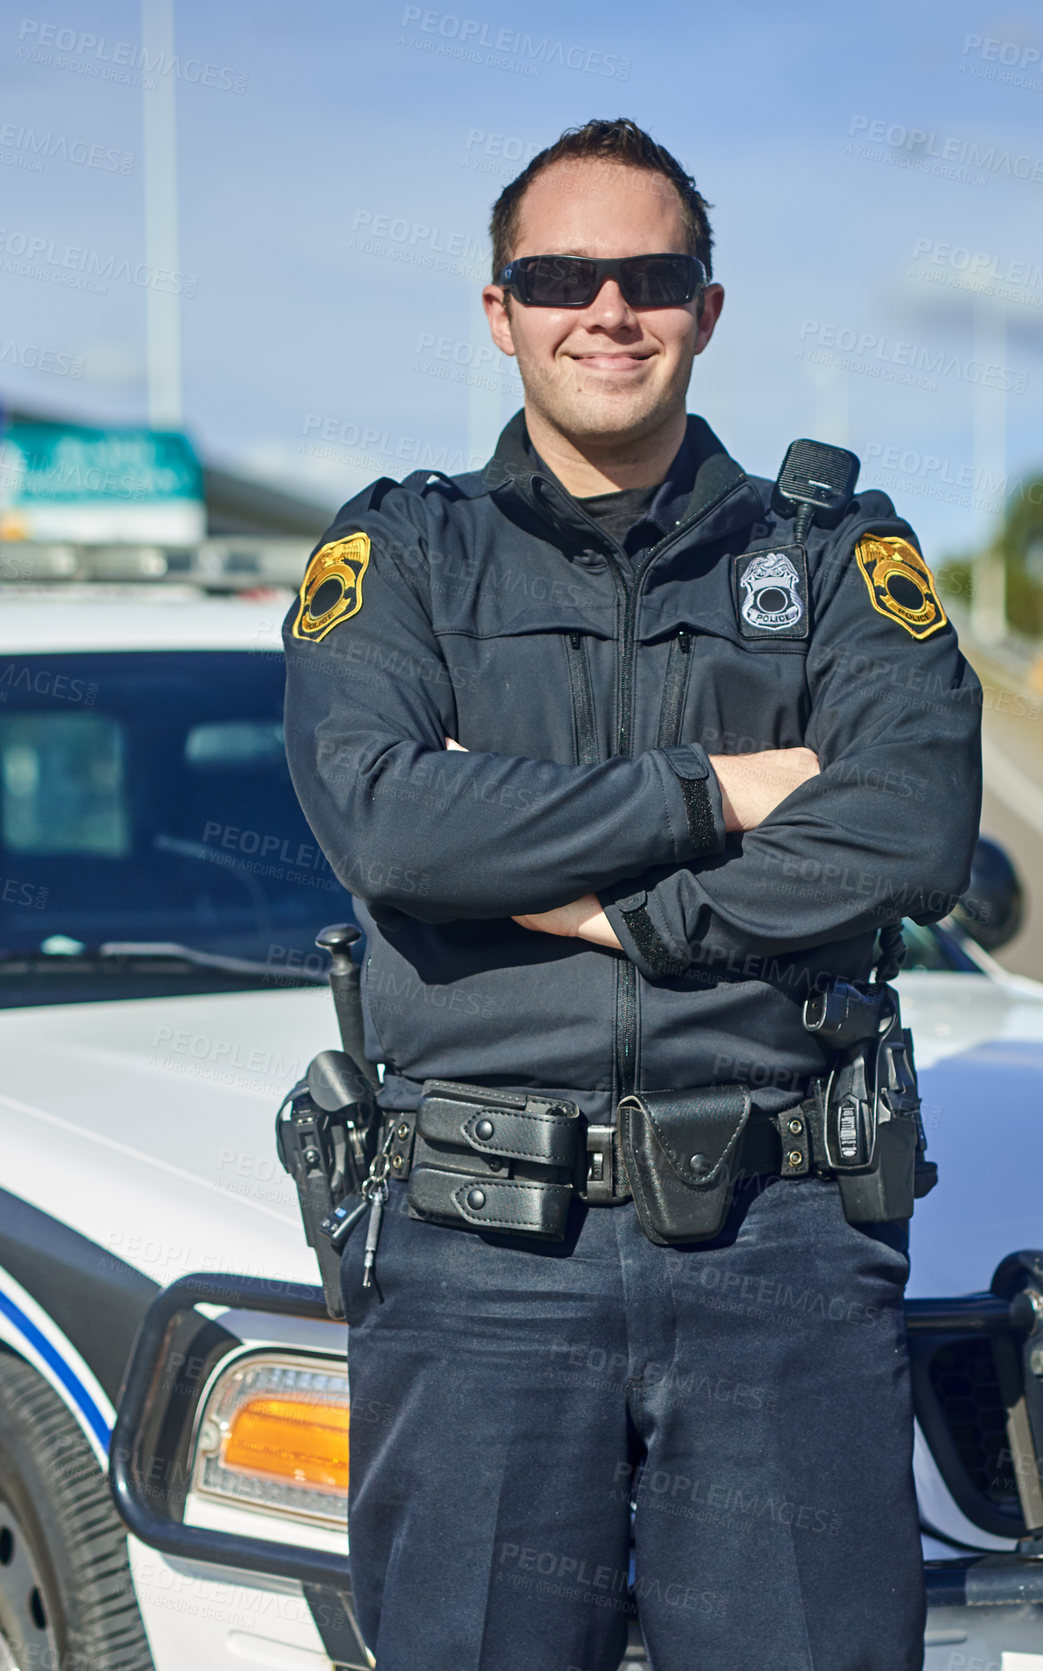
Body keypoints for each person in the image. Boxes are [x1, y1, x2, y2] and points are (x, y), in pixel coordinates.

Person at [283, 116, 982, 1671]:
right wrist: (712, 792)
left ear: (708, 307)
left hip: (779, 1251)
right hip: (481, 1262)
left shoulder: (837, 554)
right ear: (499, 310)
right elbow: (393, 824)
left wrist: (628, 915)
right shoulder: (401, 556)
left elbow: (917, 826)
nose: (609, 309)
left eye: (652, 273)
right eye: (561, 275)